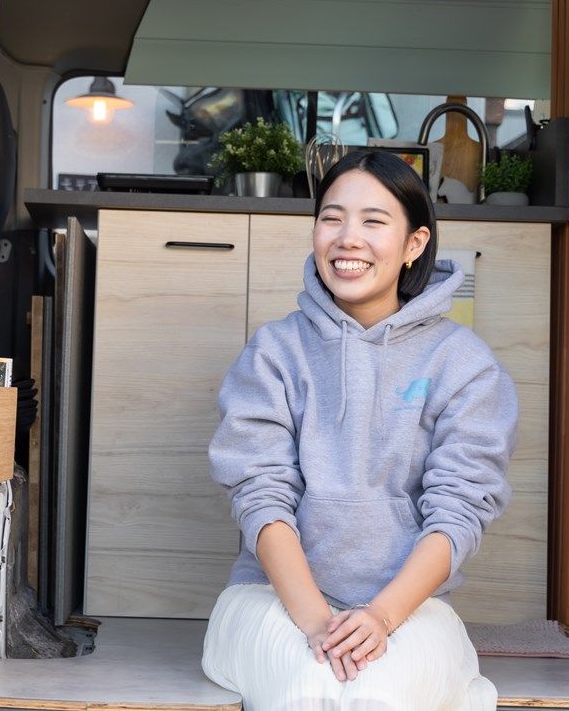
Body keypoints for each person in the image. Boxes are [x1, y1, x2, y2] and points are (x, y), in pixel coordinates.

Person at [201, 149, 517, 710]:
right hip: (266, 600)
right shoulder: (275, 351)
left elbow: (460, 508)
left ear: (414, 244)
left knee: (381, 695)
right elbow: (262, 497)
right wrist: (320, 624)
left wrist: (379, 617)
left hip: (409, 609)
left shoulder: (462, 362)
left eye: (374, 221)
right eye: (331, 218)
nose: (348, 238)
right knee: (307, 688)